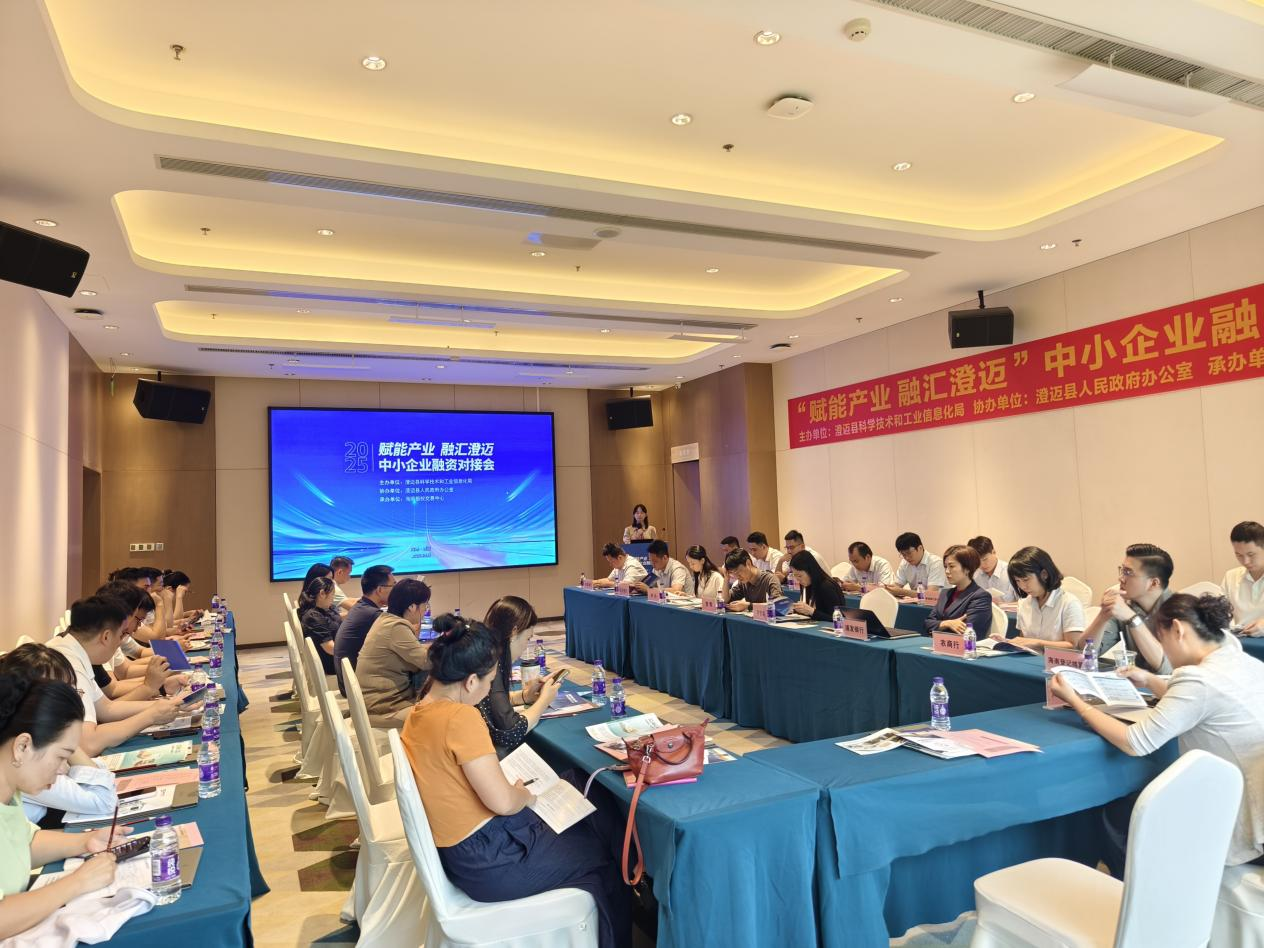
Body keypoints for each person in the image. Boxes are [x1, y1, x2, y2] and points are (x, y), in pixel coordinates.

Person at [401, 617, 631, 948]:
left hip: (468, 852)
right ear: (470, 681)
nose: (487, 691)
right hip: (492, 859)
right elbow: (504, 802)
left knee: (580, 784)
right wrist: (523, 794)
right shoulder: (460, 717)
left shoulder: (419, 712)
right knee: (600, 854)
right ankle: (627, 895)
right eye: (489, 682)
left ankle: (629, 872)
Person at [1050, 594, 1264, 876]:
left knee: (1119, 814)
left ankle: (1142, 890)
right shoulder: (1239, 660)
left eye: (1162, 641)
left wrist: (1077, 701)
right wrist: (1150, 680)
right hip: (1254, 799)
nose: (1164, 652)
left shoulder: (1199, 680)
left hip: (1240, 819)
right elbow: (1201, 701)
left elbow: (1134, 742)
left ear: (1178, 630)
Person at [0, 672, 125, 938]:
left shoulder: (10, 790)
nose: (61, 771)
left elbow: (21, 843)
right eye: (60, 757)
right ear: (23, 746)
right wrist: (76, 883)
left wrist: (86, 841)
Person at [0, 646, 116, 827]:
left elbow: (25, 836)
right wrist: (64, 740)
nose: (70, 701)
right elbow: (103, 800)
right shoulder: (26, 762)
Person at [48, 597, 181, 755]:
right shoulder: (67, 664)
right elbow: (88, 744)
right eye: (121, 636)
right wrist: (151, 716)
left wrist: (171, 704)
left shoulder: (73, 648)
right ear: (106, 637)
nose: (120, 643)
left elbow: (106, 709)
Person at [474, 597, 563, 757]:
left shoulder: (484, 651)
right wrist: (544, 701)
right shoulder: (491, 664)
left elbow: (487, 703)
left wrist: (523, 696)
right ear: (514, 632)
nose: (526, 646)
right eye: (527, 638)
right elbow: (510, 731)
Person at [1082, 543, 1174, 674]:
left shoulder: (1180, 610)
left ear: (1153, 583)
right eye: (1122, 570)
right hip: (1137, 683)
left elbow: (1167, 669)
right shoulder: (1124, 606)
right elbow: (1084, 654)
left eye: (1128, 572)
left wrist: (1132, 619)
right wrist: (1103, 615)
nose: (1120, 578)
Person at [355, 579, 434, 727]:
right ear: (412, 607)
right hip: (385, 707)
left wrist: (434, 646)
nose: (425, 609)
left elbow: (415, 652)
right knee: (443, 715)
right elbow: (426, 662)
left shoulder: (386, 620)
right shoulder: (396, 627)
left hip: (375, 701)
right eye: (425, 604)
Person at [1005, 546, 1087, 650]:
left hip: (1057, 659)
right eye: (1017, 581)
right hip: (1031, 658)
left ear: (1044, 574)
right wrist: (1005, 642)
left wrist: (1038, 643)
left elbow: (1074, 645)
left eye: (1026, 580)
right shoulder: (1024, 604)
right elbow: (1024, 642)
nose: (1022, 586)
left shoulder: (1069, 603)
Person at [333, 564, 396, 693]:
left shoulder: (361, 607)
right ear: (380, 589)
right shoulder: (372, 614)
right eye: (393, 586)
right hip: (358, 687)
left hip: (349, 682)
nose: (396, 590)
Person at [922, 545, 993, 636]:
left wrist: (938, 625)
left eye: (951, 566)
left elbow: (968, 631)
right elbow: (927, 623)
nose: (947, 571)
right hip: (938, 643)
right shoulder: (945, 593)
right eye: (945, 567)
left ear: (967, 569)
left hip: (962, 644)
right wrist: (947, 623)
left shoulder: (980, 596)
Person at [1222, 520, 1264, 636]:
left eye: (1251, 554)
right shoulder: (1231, 577)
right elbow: (1220, 614)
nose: (1245, 561)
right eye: (1239, 555)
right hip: (1239, 642)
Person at [297, 576, 340, 677]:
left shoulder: (320, 610)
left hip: (335, 659)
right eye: (333, 594)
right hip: (333, 665)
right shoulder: (314, 617)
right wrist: (354, 650)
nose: (333, 598)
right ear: (322, 594)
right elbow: (330, 648)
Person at [788, 551, 846, 622]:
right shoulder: (807, 583)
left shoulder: (826, 586)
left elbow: (837, 618)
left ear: (810, 571)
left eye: (799, 576)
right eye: (795, 575)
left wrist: (811, 611)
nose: (797, 580)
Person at [888, 532, 947, 600]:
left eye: (909, 553)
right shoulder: (904, 563)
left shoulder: (936, 563)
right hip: (918, 602)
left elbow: (931, 595)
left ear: (920, 548)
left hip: (939, 603)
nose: (907, 558)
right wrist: (888, 588)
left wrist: (903, 592)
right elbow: (897, 585)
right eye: (903, 554)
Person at [967, 536, 1017, 603]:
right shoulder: (974, 575)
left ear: (993, 552)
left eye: (985, 559)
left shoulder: (1011, 572)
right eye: (977, 561)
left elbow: (1022, 603)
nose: (982, 565)